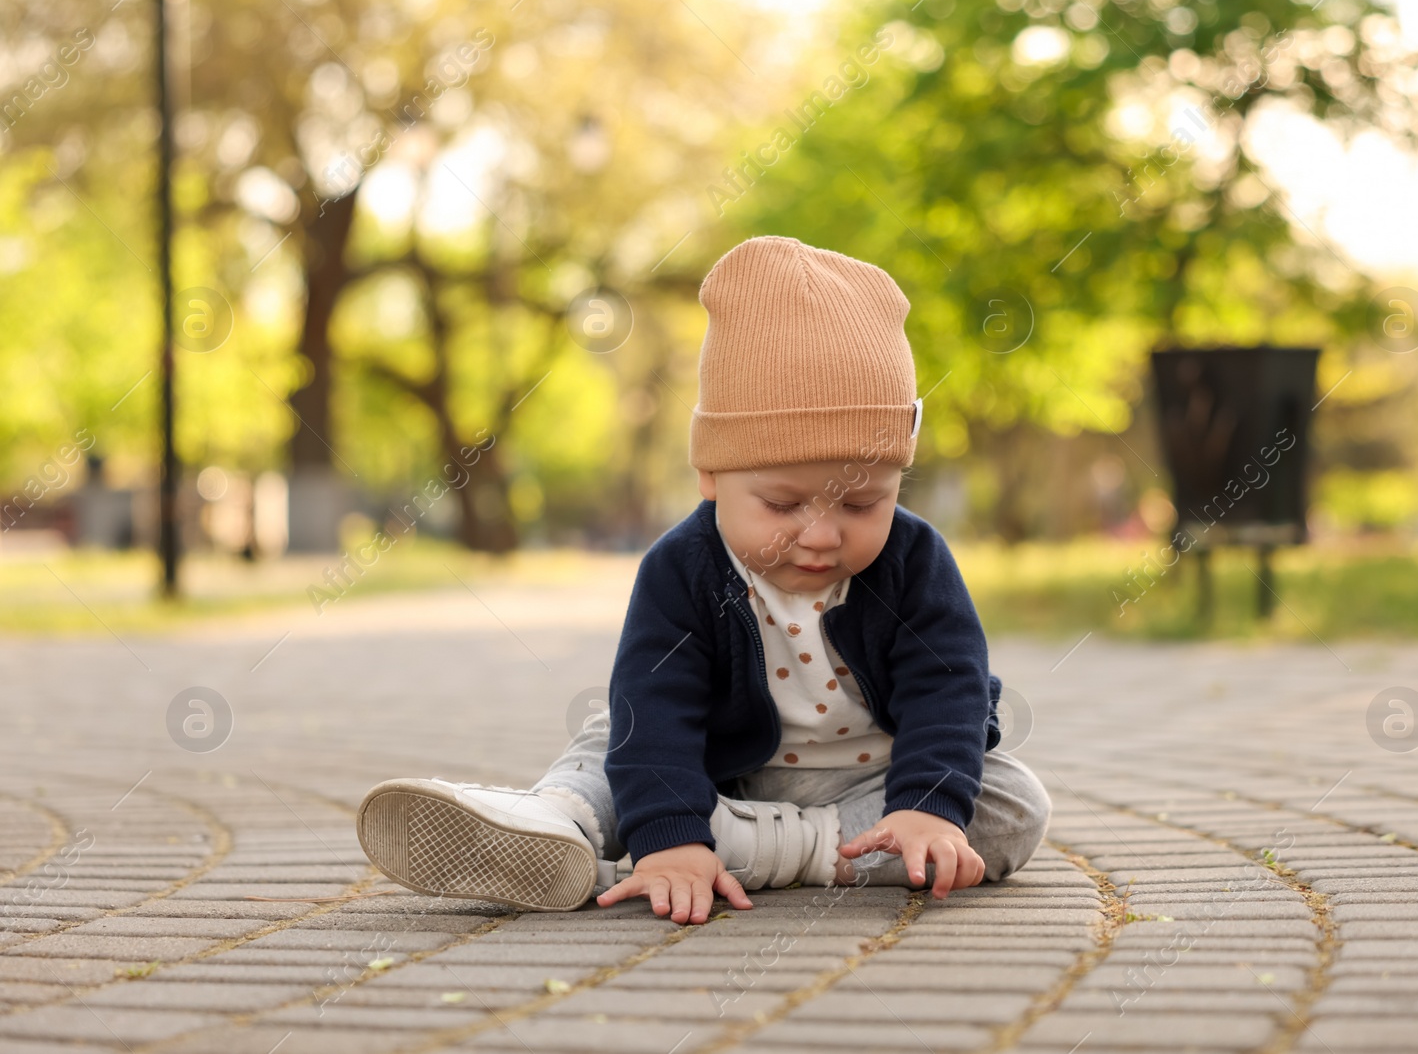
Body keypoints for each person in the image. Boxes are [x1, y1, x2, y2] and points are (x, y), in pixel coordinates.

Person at [355, 236, 1053, 927]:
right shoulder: (681, 568)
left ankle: (748, 845)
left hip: (867, 782)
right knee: (618, 734)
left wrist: (925, 806)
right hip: (719, 761)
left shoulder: (913, 561)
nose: (820, 533)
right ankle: (559, 818)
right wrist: (673, 833)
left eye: (862, 501)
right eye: (783, 505)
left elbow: (949, 686)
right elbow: (657, 706)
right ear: (711, 475)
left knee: (1010, 805)